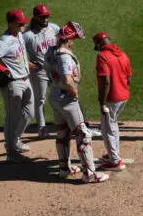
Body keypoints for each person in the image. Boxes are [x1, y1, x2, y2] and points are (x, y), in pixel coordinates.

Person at [44, 21, 109, 183]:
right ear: (68, 39)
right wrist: (73, 90)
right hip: (66, 98)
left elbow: (48, 72)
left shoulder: (50, 51)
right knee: (83, 134)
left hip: (54, 95)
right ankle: (90, 174)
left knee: (62, 132)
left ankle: (64, 169)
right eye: (74, 39)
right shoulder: (65, 57)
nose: (75, 42)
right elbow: (67, 79)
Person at [0, 9, 35, 163]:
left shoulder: (19, 34)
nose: (23, 26)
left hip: (26, 79)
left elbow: (19, 55)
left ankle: (16, 140)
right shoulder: (4, 41)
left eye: (24, 23)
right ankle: (11, 151)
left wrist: (28, 64)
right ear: (11, 23)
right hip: (13, 84)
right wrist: (5, 70)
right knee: (12, 118)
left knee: (29, 113)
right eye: (20, 24)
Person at [93, 32, 132, 171]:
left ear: (98, 43)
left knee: (107, 129)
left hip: (112, 98)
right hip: (124, 96)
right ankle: (113, 153)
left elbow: (106, 81)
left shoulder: (102, 56)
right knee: (113, 124)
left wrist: (102, 101)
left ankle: (115, 161)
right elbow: (129, 79)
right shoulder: (122, 54)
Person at [23, 4, 60, 138]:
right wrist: (28, 63)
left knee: (62, 93)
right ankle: (42, 127)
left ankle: (64, 122)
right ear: (36, 17)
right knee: (40, 100)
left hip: (55, 68)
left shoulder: (54, 28)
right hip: (40, 71)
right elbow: (17, 51)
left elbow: (64, 41)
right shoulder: (28, 35)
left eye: (47, 16)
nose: (45, 19)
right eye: (42, 17)